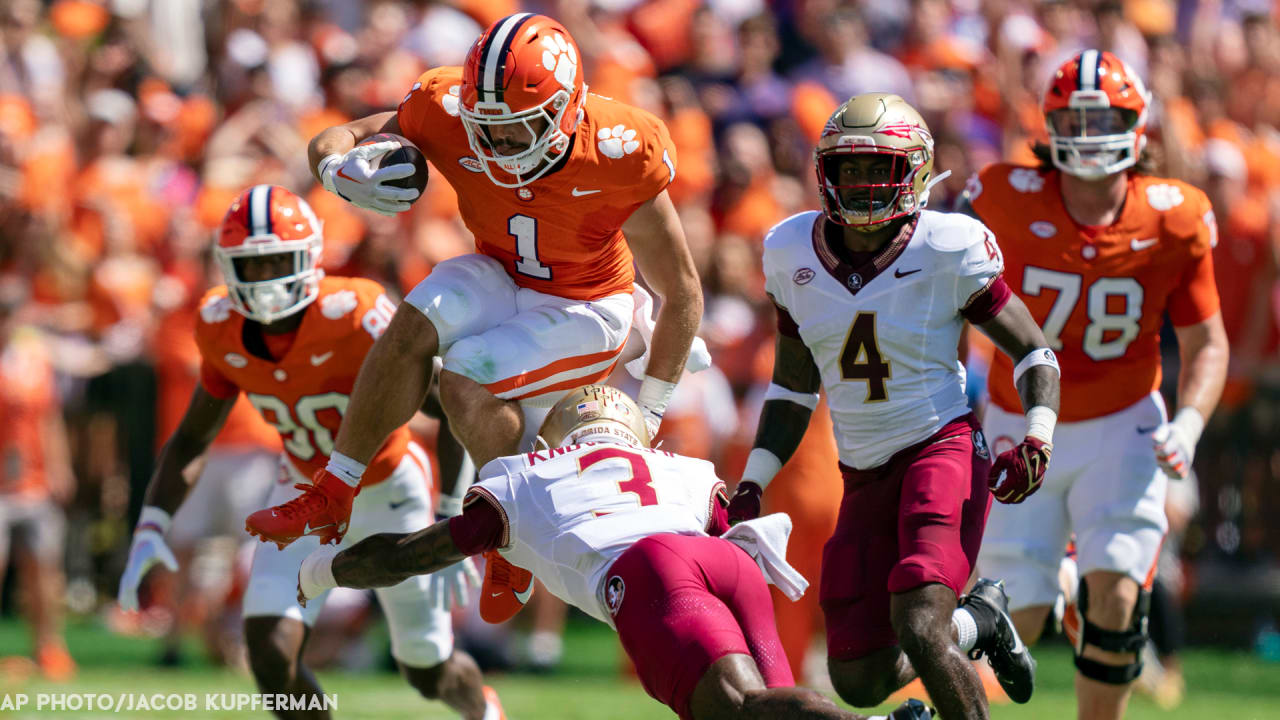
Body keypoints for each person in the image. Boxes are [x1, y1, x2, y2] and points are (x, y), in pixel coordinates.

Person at [246, 14, 704, 626]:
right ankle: (333, 491)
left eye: (518, 131)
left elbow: (681, 290)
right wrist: (337, 172)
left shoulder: (621, 148)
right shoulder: (444, 103)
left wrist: (649, 411)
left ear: (568, 111)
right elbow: (339, 135)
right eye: (486, 129)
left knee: (465, 375)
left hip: (589, 303)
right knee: (414, 321)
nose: (498, 148)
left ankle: (510, 540)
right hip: (502, 271)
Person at [298, 384, 934, 720]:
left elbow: (413, 553)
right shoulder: (680, 464)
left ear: (557, 434)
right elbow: (731, 519)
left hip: (653, 572)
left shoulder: (527, 475)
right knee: (772, 717)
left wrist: (325, 569)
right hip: (730, 565)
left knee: (741, 713)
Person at [725, 93, 1057, 720]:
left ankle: (959, 634)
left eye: (879, 166)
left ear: (917, 171)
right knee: (856, 673)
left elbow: (1034, 352)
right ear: (824, 171)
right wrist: (752, 483)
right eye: (848, 168)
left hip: (942, 444)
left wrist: (1036, 435)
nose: (863, 183)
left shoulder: (948, 245)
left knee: (921, 623)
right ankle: (981, 620)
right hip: (861, 470)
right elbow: (794, 389)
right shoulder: (791, 251)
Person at [116, 186, 503, 720]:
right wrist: (152, 524)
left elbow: (450, 407)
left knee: (425, 667)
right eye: (252, 266)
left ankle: (484, 710)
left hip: (390, 488)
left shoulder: (355, 312)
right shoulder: (217, 323)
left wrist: (450, 512)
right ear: (228, 268)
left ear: (311, 258)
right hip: (300, 491)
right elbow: (191, 437)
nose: (266, 280)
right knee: (270, 654)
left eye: (278, 261)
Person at [959, 50, 1228, 720]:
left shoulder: (1174, 215)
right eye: (1073, 118)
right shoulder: (1000, 195)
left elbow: (1207, 343)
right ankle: (1054, 591)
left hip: (1122, 422)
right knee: (1008, 606)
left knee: (1118, 597)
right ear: (1048, 127)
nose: (1087, 132)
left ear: (1137, 125)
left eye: (1101, 117)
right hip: (1019, 421)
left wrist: (1189, 423)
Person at [0, 277, 76, 681]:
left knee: (45, 570)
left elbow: (49, 416)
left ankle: (49, 649)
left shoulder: (33, 359)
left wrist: (59, 466)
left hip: (33, 481)